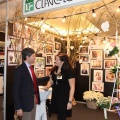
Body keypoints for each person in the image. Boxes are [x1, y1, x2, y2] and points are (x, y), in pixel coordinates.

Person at [44, 53, 75, 120]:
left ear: (62, 61)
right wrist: (48, 86)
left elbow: (72, 87)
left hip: (64, 97)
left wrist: (70, 101)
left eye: (57, 60)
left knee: (62, 116)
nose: (55, 61)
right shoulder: (54, 69)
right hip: (55, 95)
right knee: (58, 114)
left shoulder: (69, 71)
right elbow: (51, 81)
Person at [12, 48, 40, 120]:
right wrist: (18, 107)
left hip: (32, 100)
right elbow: (16, 90)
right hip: (25, 103)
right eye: (33, 56)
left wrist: (48, 77)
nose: (35, 58)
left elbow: (34, 81)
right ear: (27, 57)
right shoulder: (20, 70)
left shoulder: (31, 68)